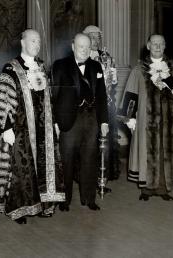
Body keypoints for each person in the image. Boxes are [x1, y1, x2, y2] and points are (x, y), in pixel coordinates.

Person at [0, 29, 65, 224]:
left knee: (46, 166)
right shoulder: (10, 68)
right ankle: (22, 208)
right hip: (22, 128)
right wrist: (6, 128)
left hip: (45, 128)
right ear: (22, 42)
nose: (37, 44)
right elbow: (2, 100)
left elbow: (50, 98)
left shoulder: (42, 67)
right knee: (22, 168)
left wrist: (56, 122)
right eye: (33, 40)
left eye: (39, 41)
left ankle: (45, 205)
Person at [119, 34, 173, 201]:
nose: (157, 46)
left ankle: (163, 188)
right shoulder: (139, 69)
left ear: (165, 46)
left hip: (169, 120)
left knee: (165, 151)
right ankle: (146, 189)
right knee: (146, 151)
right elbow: (131, 93)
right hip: (146, 121)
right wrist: (130, 118)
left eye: (161, 44)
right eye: (154, 43)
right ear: (148, 46)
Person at [52, 33, 109, 211]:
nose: (84, 50)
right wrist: (55, 123)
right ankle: (64, 200)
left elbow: (101, 96)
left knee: (89, 160)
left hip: (91, 119)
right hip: (69, 120)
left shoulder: (96, 66)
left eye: (87, 46)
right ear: (72, 46)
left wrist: (104, 122)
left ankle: (89, 198)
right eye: (80, 46)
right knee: (66, 161)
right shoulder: (60, 66)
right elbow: (53, 97)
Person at [83, 25, 120, 182]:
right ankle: (89, 177)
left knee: (107, 138)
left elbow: (111, 85)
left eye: (98, 37)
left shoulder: (106, 57)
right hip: (89, 107)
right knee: (90, 141)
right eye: (92, 37)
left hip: (106, 105)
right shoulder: (82, 57)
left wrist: (114, 79)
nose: (95, 40)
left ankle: (105, 175)